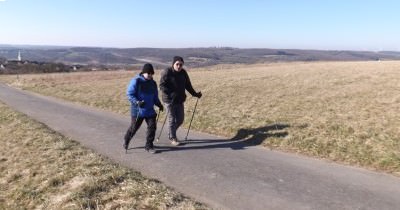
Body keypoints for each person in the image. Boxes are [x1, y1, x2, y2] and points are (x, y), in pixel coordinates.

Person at [159, 56, 202, 146]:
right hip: (169, 100)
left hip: (179, 99)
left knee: (180, 119)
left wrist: (195, 94)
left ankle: (171, 133)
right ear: (173, 64)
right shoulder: (167, 72)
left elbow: (188, 85)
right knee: (171, 119)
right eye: (177, 64)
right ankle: (173, 138)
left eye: (181, 64)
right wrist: (170, 94)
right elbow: (162, 86)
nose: (179, 66)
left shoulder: (183, 72)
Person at [124, 63, 164, 154]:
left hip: (150, 110)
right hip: (138, 110)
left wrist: (159, 104)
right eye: (148, 73)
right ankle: (126, 140)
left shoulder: (153, 83)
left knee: (152, 127)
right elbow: (130, 94)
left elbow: (155, 97)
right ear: (144, 72)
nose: (150, 75)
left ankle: (149, 145)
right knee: (134, 128)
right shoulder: (136, 81)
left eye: (151, 73)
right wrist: (137, 102)